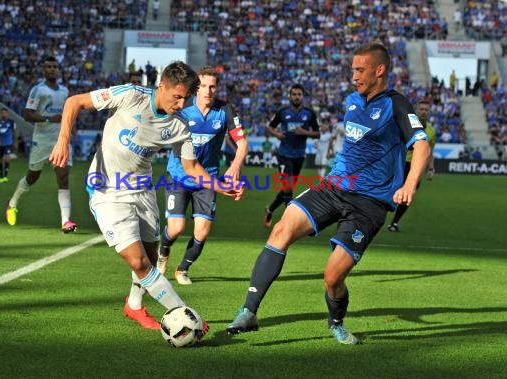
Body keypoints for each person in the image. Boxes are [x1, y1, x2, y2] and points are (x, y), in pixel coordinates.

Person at [226, 43, 431, 345]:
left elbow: (422, 145)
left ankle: (336, 322)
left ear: (379, 70)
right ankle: (249, 310)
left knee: (332, 278)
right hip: (333, 187)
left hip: (369, 203)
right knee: (281, 229)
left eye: (360, 70)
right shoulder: (351, 100)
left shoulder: (396, 105)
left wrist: (409, 184)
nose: (353, 76)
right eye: (352, 69)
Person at [49, 61, 244, 331]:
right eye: (177, 96)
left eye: (186, 97)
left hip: (142, 188)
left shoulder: (179, 126)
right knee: (139, 261)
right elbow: (74, 102)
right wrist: (63, 140)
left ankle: (134, 306)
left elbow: (191, 168)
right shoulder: (130, 95)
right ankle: (183, 313)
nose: (181, 103)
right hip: (107, 189)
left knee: (151, 257)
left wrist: (220, 186)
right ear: (161, 86)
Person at [157, 66, 249, 285]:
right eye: (203, 86)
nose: (208, 91)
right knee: (176, 228)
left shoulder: (225, 111)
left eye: (212, 86)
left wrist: (235, 165)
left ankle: (182, 269)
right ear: (196, 88)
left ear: (217, 89)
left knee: (203, 231)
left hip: (208, 179)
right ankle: (164, 251)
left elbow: (242, 143)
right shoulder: (183, 110)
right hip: (179, 176)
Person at [5, 56, 78, 233]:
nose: (52, 69)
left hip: (60, 140)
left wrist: (71, 130)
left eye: (54, 66)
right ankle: (12, 203)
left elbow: (67, 114)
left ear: (58, 69)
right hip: (42, 141)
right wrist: (47, 118)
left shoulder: (64, 91)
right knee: (32, 177)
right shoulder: (37, 90)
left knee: (63, 178)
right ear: (43, 70)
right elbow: (27, 114)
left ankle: (65, 222)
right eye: (48, 67)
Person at [263, 84, 320, 228]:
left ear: (303, 96)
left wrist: (305, 133)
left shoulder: (309, 113)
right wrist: (276, 134)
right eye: (294, 94)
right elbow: (269, 127)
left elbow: (317, 133)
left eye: (299, 94)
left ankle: (270, 209)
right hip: (284, 154)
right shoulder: (282, 112)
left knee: (286, 190)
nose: (296, 97)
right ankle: (289, 222)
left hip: (299, 155)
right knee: (288, 188)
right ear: (290, 96)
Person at [388, 99, 436, 232]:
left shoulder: (431, 131)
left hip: (418, 166)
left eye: (426, 109)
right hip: (402, 162)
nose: (424, 112)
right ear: (416, 110)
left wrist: (431, 168)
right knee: (390, 191)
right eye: (422, 109)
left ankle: (394, 223)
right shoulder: (406, 124)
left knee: (409, 194)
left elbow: (429, 151)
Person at [0, 107, 17, 183]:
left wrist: (15, 142)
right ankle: (1, 177)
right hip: (0, 144)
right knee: (0, 160)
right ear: (1, 114)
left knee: (7, 158)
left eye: (5, 113)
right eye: (2, 113)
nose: (4, 114)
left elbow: (14, 132)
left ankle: (6, 176)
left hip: (8, 143)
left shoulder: (11, 122)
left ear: (7, 114)